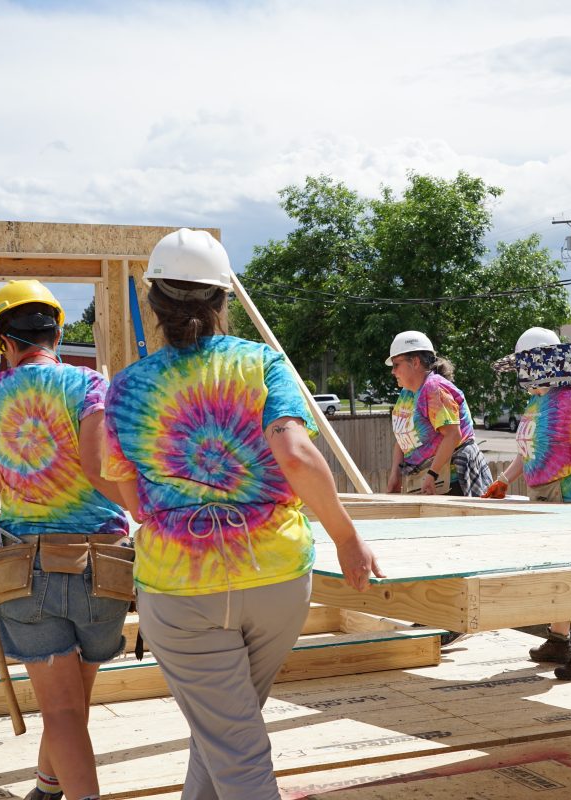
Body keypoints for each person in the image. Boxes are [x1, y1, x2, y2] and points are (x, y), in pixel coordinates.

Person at [103, 228, 383, 800]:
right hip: (277, 578)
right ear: (223, 298)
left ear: (154, 302)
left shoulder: (128, 387)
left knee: (234, 744)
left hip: (181, 588)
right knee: (225, 731)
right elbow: (297, 452)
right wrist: (346, 536)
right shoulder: (261, 363)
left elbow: (127, 493)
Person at [0, 280, 130, 800]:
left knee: (61, 711)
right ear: (57, 331)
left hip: (26, 563)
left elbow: (1, 481)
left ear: (3, 341)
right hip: (100, 561)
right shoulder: (88, 385)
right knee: (74, 707)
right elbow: (100, 466)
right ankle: (47, 787)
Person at [482, 328, 571, 680]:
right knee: (555, 569)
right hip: (545, 493)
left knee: (570, 572)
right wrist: (504, 479)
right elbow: (529, 452)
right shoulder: (537, 403)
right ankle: (558, 639)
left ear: (539, 364)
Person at [385, 330, 491, 497]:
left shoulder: (434, 389)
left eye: (396, 365)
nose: (393, 372)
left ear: (415, 362)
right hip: (429, 480)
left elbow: (453, 435)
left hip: (452, 481)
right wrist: (395, 474)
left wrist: (432, 474)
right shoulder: (407, 394)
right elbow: (403, 439)